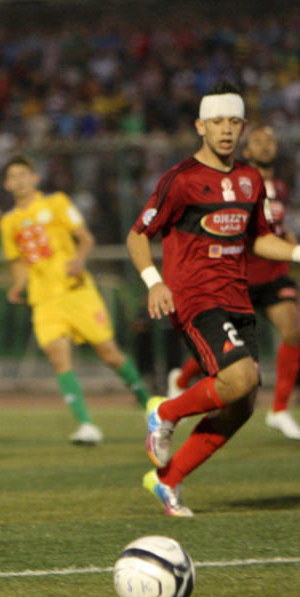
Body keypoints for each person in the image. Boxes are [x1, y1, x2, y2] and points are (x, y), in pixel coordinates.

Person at [126, 81, 300, 516]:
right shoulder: (181, 180)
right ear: (200, 126)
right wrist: (154, 281)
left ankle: (167, 481)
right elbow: (137, 235)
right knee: (239, 378)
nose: (226, 130)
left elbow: (260, 240)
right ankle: (165, 411)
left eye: (234, 121)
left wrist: (297, 252)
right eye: (218, 121)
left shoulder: (249, 180)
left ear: (242, 127)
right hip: (194, 297)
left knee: (241, 405)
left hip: (237, 299)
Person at [0, 155, 151, 444]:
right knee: (59, 358)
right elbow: (16, 260)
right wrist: (18, 284)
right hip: (44, 300)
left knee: (109, 352)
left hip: (76, 291)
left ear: (35, 178)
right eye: (12, 176)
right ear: (6, 184)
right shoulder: (8, 222)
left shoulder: (56, 203)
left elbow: (85, 238)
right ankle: (86, 425)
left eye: (23, 174)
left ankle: (148, 405)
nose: (18, 180)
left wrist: (80, 260)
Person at [167, 126, 300, 440]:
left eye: (270, 141)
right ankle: (183, 378)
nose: (266, 146)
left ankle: (280, 409)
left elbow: (275, 226)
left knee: (294, 331)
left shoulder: (279, 186)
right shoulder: (239, 183)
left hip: (273, 272)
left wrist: (291, 242)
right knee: (227, 350)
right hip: (237, 275)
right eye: (258, 142)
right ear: (247, 151)